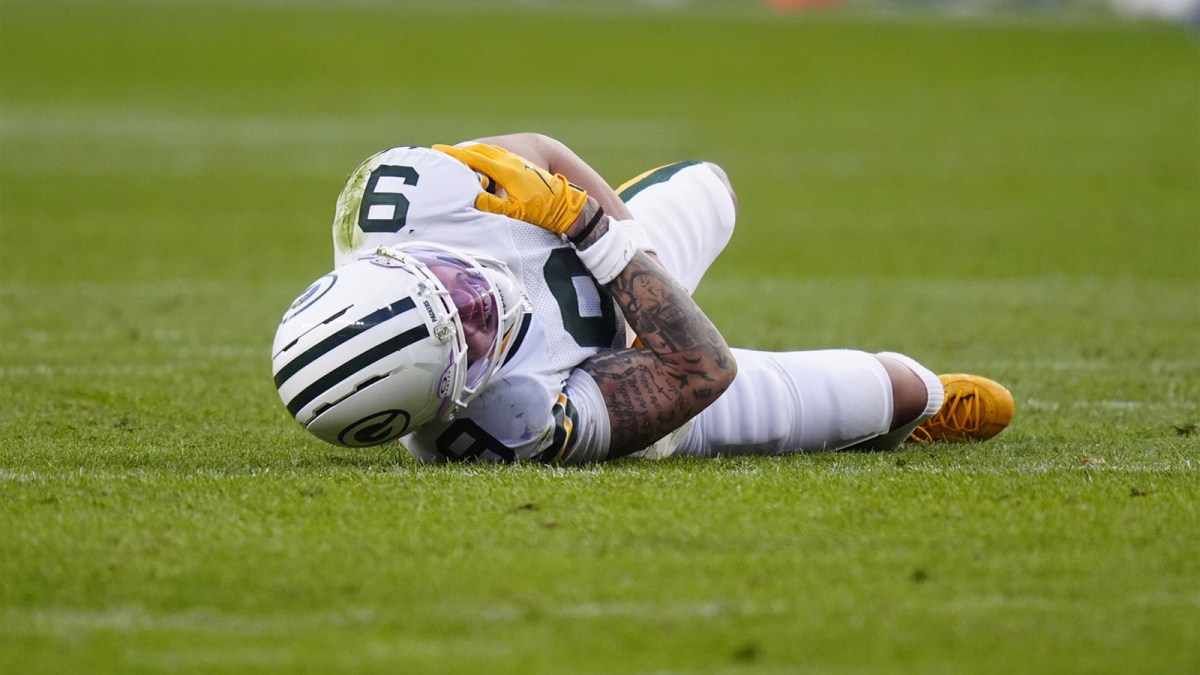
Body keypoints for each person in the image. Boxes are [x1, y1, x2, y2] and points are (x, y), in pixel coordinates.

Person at [271, 134, 1014, 463]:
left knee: (710, 185)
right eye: (465, 338)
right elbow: (700, 369)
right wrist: (589, 229)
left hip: (595, 254)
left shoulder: (400, 196)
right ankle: (918, 413)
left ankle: (639, 226)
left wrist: (628, 244)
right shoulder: (509, 426)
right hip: (644, 368)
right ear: (451, 398)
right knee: (900, 388)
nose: (479, 307)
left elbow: (544, 149)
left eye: (453, 296)